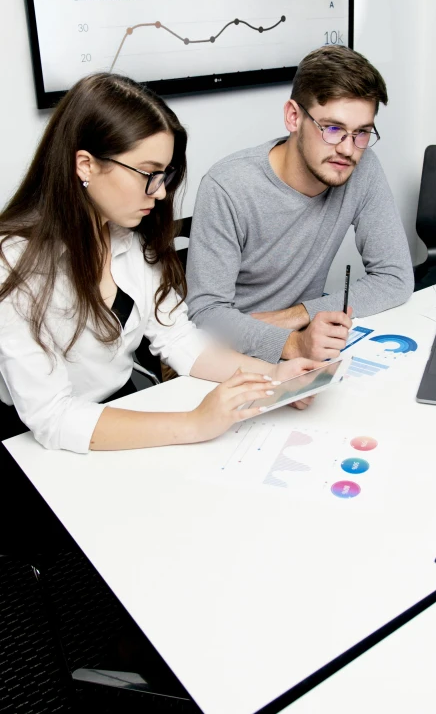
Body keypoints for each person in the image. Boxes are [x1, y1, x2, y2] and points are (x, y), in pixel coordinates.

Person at [0, 73, 318, 456]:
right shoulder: (13, 263)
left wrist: (273, 376)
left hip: (123, 405)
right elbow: (52, 417)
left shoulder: (125, 234)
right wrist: (196, 422)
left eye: (164, 175)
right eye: (149, 174)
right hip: (41, 442)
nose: (162, 191)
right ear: (85, 164)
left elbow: (178, 338)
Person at [186, 45, 414, 363]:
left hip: (300, 342)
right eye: (333, 129)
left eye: (361, 133)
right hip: (226, 351)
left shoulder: (363, 168)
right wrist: (292, 343)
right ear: (293, 117)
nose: (348, 149)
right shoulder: (228, 186)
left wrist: (297, 316)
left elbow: (395, 278)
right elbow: (206, 315)